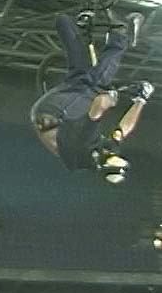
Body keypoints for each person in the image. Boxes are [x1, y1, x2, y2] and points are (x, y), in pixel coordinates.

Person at [30, 11, 153, 177]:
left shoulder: (86, 146)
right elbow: (123, 130)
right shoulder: (102, 155)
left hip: (55, 114)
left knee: (96, 85)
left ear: (103, 160)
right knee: (81, 72)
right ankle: (65, 22)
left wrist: (111, 98)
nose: (111, 152)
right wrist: (141, 101)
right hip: (55, 114)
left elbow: (98, 106)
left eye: (111, 156)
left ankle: (120, 33)